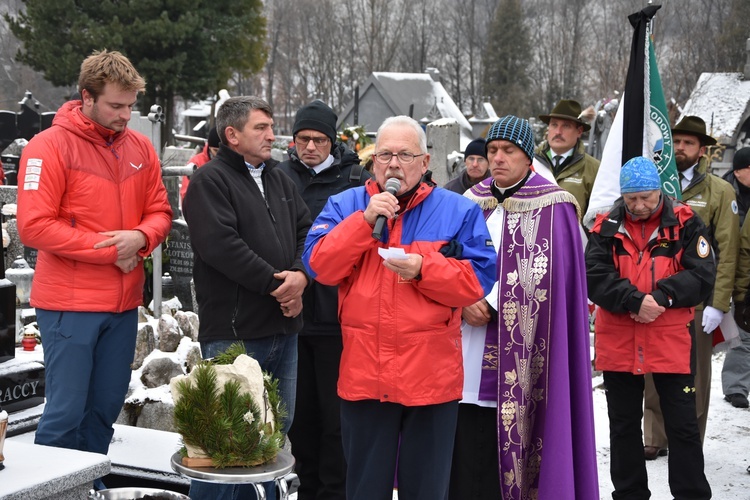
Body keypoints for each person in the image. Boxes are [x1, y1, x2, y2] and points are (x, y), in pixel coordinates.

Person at [302, 115, 496, 500]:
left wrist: (425, 267)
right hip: (365, 380)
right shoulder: (345, 205)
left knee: (426, 490)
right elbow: (320, 266)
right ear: (373, 162)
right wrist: (364, 222)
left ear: (425, 163)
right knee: (364, 490)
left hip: (430, 381)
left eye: (405, 155)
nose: (394, 164)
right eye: (386, 154)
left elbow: (479, 279)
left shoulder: (459, 211)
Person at [16, 50, 172, 486]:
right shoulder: (48, 147)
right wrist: (112, 249)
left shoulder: (139, 147)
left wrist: (140, 239)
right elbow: (33, 227)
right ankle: (49, 491)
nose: (126, 116)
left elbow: (160, 211)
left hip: (121, 305)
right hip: (70, 304)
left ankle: (88, 488)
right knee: (65, 414)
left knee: (104, 410)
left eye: (130, 106)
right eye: (115, 106)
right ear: (86, 97)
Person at [451, 115, 599, 499]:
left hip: (529, 350)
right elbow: (448, 258)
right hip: (466, 345)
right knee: (467, 443)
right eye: (492, 151)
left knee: (523, 434)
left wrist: (495, 301)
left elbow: (555, 275)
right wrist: (465, 298)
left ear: (527, 156)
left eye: (508, 151)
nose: (498, 158)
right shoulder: (470, 201)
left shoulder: (556, 205)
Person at [182, 96, 311, 500]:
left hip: (283, 330)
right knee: (225, 446)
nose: (272, 135)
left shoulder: (280, 178)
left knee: (272, 437)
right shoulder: (209, 182)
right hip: (235, 334)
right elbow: (222, 246)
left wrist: (302, 277)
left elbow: (308, 231)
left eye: (271, 127)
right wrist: (280, 285)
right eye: (261, 128)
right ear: (232, 134)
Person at [586, 155, 714, 500]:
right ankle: (629, 494)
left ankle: (691, 494)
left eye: (647, 197)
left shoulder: (687, 223)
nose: (639, 206)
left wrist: (662, 296)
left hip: (669, 338)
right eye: (632, 199)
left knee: (682, 426)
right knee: (624, 427)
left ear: (660, 191)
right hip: (619, 341)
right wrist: (632, 300)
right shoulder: (604, 227)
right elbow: (594, 276)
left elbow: (702, 275)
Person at [279, 100, 369, 500]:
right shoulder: (279, 177)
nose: (310, 147)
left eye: (318, 140)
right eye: (303, 139)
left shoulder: (354, 179)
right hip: (291, 317)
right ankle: (307, 489)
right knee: (300, 419)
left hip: (337, 318)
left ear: (333, 141)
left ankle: (335, 493)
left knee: (336, 419)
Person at [643, 115, 739, 459]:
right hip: (658, 298)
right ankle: (654, 435)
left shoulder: (719, 190)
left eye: (688, 143)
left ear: (701, 150)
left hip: (698, 302)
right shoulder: (655, 184)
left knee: (693, 375)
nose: (680, 148)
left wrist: (718, 302)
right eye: (676, 142)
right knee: (654, 369)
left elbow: (726, 253)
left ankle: (689, 439)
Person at [534, 99, 600, 216]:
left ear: (579, 131)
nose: (558, 132)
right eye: (554, 125)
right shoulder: (529, 164)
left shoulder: (594, 169)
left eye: (566, 126)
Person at [722, 147, 750, 409]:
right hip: (725, 262)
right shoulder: (725, 190)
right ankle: (735, 386)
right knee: (740, 333)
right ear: (739, 170)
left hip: (745, 263)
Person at [179, 126, 220, 201]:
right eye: (216, 151)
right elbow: (186, 194)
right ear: (209, 147)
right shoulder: (196, 163)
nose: (219, 155)